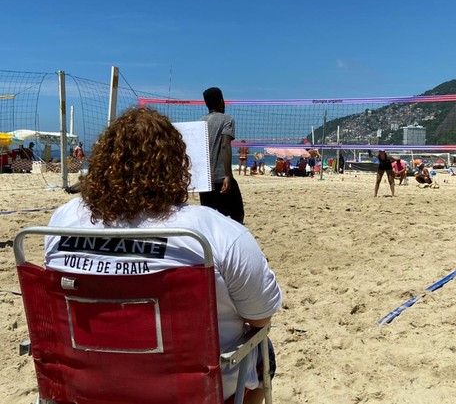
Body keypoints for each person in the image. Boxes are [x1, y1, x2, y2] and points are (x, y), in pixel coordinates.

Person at [43, 108, 282, 404]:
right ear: (177, 164)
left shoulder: (61, 221)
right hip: (191, 393)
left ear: (103, 162)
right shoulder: (214, 232)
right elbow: (260, 318)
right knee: (263, 349)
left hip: (89, 387)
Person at [199, 87, 245, 224]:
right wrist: (228, 175)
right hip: (220, 177)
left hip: (205, 180)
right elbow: (225, 145)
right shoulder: (227, 120)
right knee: (238, 215)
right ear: (221, 101)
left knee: (210, 218)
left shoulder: (200, 122)